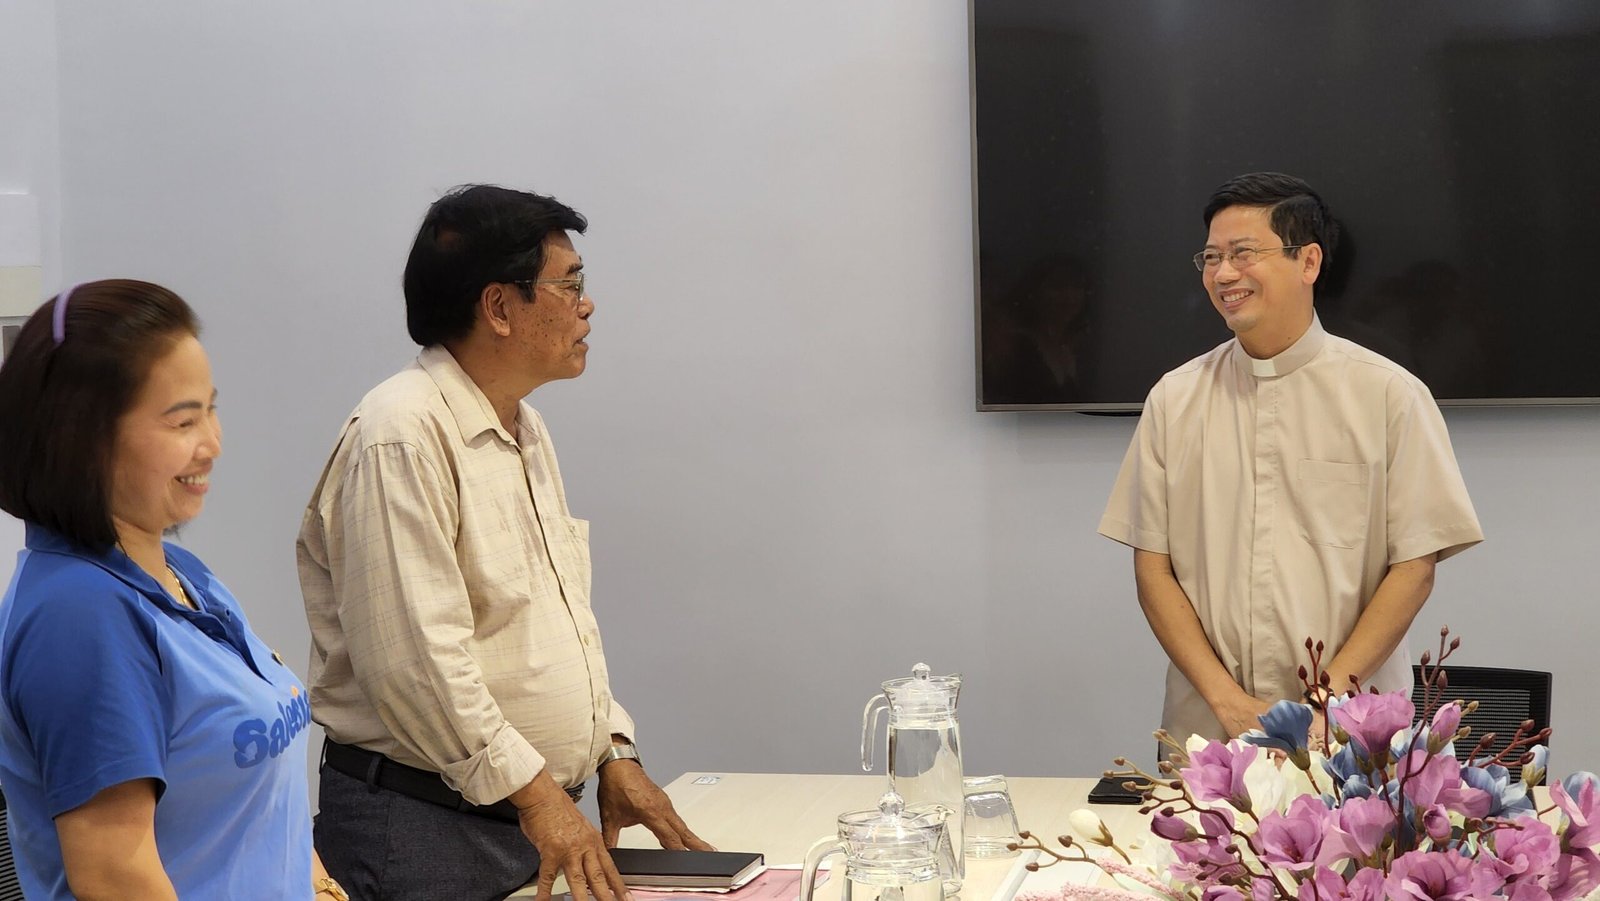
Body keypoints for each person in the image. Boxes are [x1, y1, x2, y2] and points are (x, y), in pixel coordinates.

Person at [298, 184, 709, 901]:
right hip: (426, 829)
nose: (587, 304)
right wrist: (540, 796)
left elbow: (550, 623)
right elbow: (416, 667)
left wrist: (612, 751)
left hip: (520, 817)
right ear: (497, 306)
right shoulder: (401, 435)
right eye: (569, 284)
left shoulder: (522, 426)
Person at [1098, 173, 1484, 745]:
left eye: (1243, 253)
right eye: (1211, 257)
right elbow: (1153, 569)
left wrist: (1326, 702)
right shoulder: (1174, 399)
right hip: (1209, 732)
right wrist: (1227, 702)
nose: (1223, 274)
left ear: (1308, 261)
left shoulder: (1388, 395)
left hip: (1350, 732)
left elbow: (1413, 567)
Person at [0, 280, 345, 900]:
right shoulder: (78, 618)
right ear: (84, 438)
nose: (213, 443)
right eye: (183, 421)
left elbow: (262, 811)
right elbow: (115, 875)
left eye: (210, 410)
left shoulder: (184, 575)